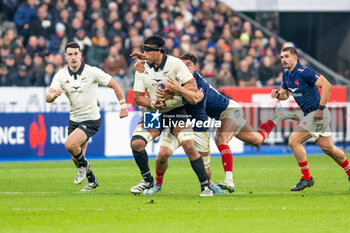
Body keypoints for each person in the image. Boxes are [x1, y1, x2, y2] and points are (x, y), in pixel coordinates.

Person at [136, 52, 299, 194]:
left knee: (220, 139)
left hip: (229, 110)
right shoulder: (176, 80)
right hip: (209, 116)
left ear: (195, 67)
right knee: (257, 140)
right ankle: (278, 116)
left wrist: (176, 94)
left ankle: (229, 180)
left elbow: (197, 108)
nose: (185, 67)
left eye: (189, 65)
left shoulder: (198, 84)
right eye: (183, 65)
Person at [129, 35, 213, 196]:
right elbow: (138, 97)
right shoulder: (141, 68)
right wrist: (153, 104)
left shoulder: (175, 63)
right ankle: (147, 180)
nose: (144, 53)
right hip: (154, 113)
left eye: (148, 50)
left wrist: (174, 90)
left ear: (159, 51)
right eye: (143, 49)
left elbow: (192, 85)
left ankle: (205, 187)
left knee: (188, 144)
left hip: (176, 110)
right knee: (136, 144)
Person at [45, 42, 128, 191]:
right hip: (74, 120)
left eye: (76, 54)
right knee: (76, 157)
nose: (73, 57)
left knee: (70, 145)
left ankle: (84, 167)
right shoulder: (61, 75)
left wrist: (123, 106)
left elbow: (115, 84)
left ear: (80, 55)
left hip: (91, 119)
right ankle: (92, 180)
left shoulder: (92, 72)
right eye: (70, 54)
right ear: (65, 57)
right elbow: (48, 97)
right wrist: (53, 96)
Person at [272, 47, 350, 191]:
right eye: (282, 57)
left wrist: (320, 108)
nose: (284, 59)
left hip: (317, 113)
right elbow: (286, 94)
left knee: (293, 141)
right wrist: (278, 95)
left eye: (287, 56)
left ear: (295, 58)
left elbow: (327, 85)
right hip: (312, 114)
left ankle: (307, 178)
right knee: (329, 149)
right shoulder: (286, 74)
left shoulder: (305, 72)